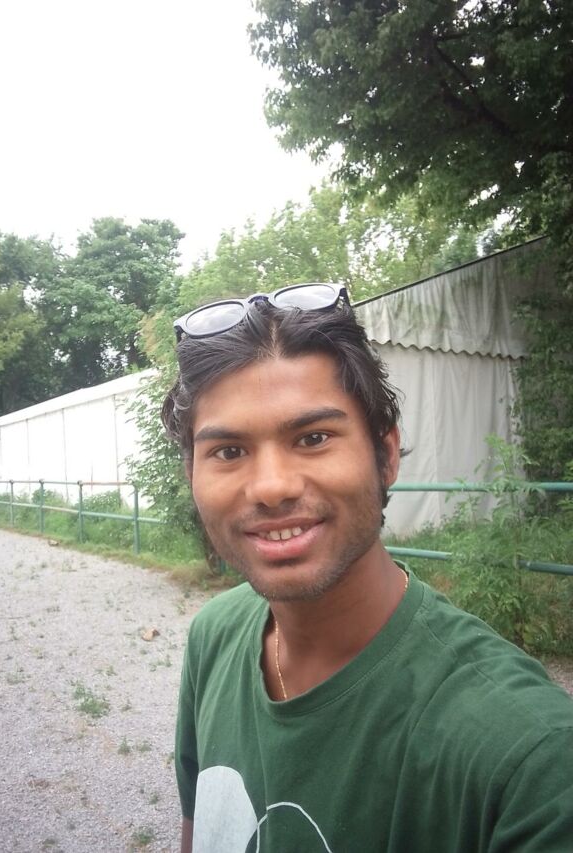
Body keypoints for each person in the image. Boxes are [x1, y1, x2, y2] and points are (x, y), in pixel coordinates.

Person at [162, 283, 573, 853]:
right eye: (229, 451)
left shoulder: (531, 762)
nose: (271, 487)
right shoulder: (214, 637)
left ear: (386, 455)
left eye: (313, 438)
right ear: (192, 476)